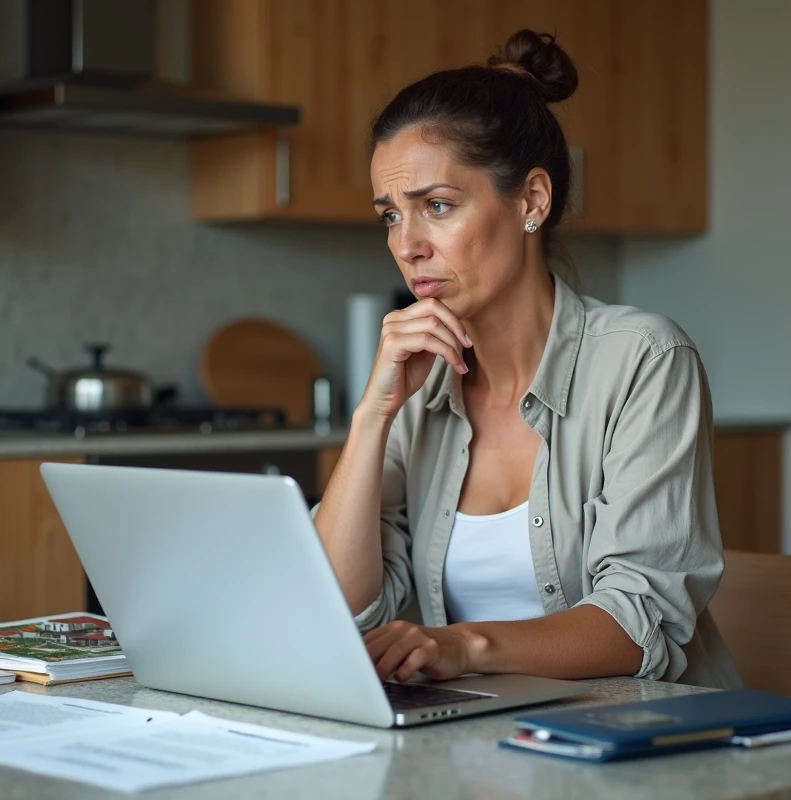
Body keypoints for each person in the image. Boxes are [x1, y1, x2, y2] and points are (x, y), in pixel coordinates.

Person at [313, 30, 741, 690]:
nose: (408, 245)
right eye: (390, 216)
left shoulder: (644, 359)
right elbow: (340, 608)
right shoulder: (418, 392)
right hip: (472, 748)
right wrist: (373, 415)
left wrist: (463, 645)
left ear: (532, 201)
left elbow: (639, 619)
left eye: (436, 206)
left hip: (633, 753)